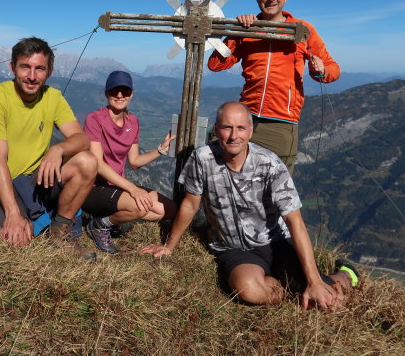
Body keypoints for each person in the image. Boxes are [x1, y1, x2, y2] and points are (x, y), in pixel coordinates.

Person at [140, 101, 360, 310]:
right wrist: (169, 246)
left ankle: (345, 275)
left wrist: (313, 281)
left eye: (241, 128)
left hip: (276, 243)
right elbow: (190, 205)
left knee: (333, 302)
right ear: (217, 130)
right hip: (232, 247)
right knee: (248, 291)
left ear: (251, 131)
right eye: (227, 128)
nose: (234, 136)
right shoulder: (202, 158)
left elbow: (295, 221)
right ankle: (293, 287)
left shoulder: (270, 163)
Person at [0, 37, 98, 260]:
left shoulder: (53, 97)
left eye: (39, 68)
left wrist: (57, 150)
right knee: (16, 240)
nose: (32, 76)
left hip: (34, 176)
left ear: (49, 71)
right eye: (25, 67)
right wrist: (12, 214)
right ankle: (33, 217)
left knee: (87, 162)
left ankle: (59, 233)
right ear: (12, 68)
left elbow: (81, 139)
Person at [207, 0, 340, 174]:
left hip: (281, 123)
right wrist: (236, 31)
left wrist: (320, 69)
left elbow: (333, 71)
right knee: (217, 174)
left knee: (275, 191)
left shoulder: (303, 30)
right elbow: (216, 64)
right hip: (245, 117)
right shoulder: (247, 29)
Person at [81, 71, 177, 254]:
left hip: (116, 185)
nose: (119, 96)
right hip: (93, 186)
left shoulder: (133, 121)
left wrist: (160, 150)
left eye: (124, 91)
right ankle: (99, 225)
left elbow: (133, 162)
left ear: (131, 93)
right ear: (106, 92)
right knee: (139, 207)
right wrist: (133, 189)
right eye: (114, 91)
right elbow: (98, 165)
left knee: (168, 209)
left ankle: (112, 218)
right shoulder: (95, 119)